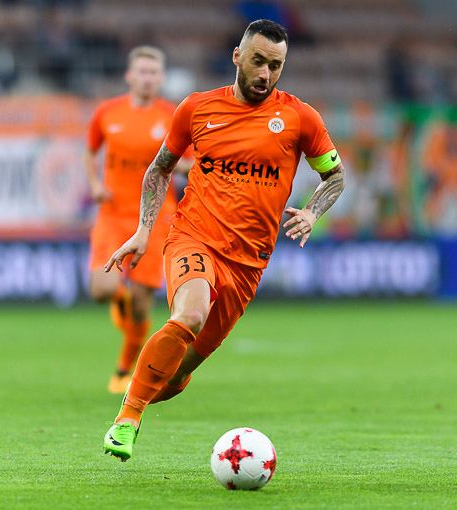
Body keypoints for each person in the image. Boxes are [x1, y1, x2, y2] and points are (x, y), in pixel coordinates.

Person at [102, 19, 346, 461]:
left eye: (275, 66)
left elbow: (335, 176)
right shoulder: (197, 109)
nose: (265, 74)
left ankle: (148, 388)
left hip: (248, 265)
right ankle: (127, 418)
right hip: (193, 237)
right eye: (258, 61)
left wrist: (312, 211)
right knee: (190, 314)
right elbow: (159, 169)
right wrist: (143, 230)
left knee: (172, 379)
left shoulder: (300, 118)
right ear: (237, 57)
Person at [85, 46, 190, 394]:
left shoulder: (172, 116)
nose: (147, 78)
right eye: (142, 72)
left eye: (153, 73)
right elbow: (90, 150)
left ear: (161, 78)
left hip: (155, 218)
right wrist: (95, 184)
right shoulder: (107, 112)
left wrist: (179, 164)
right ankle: (120, 300)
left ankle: (123, 369)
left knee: (142, 304)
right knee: (102, 290)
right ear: (129, 76)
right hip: (114, 214)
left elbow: (189, 161)